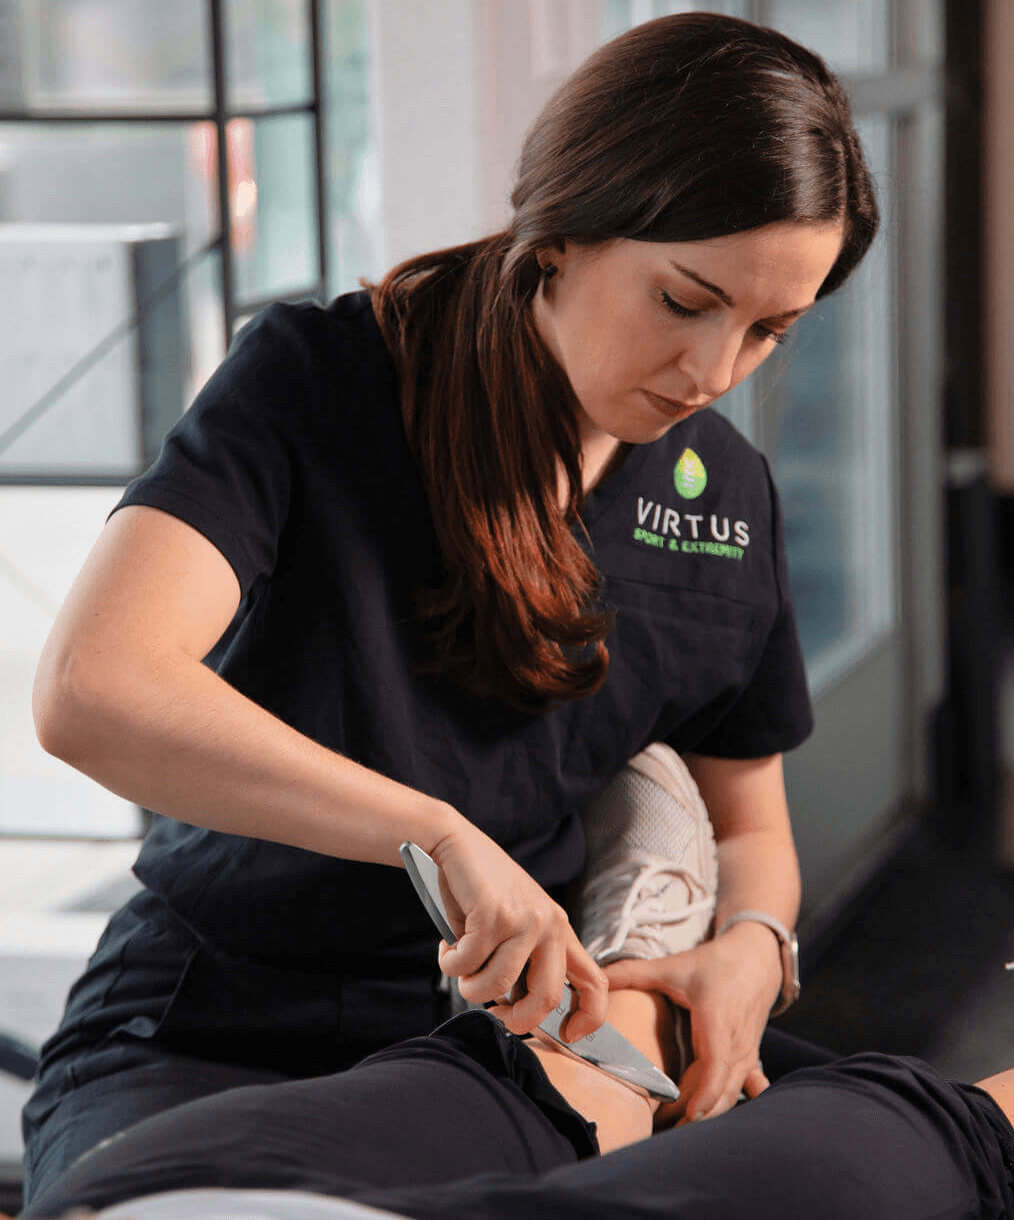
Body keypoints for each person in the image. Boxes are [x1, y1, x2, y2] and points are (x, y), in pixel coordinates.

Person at [21, 9, 879, 1206]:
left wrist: (752, 944)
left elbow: (750, 828)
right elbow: (93, 689)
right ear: (565, 232)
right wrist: (432, 832)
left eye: (769, 328)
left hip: (520, 1043)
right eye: (685, 300)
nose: (714, 373)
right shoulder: (319, 381)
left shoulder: (724, 495)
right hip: (219, 1021)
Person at [16, 984, 1014, 1220]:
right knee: (947, 1133)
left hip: (151, 1201)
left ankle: (642, 974)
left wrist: (755, 935)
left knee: (550, 1073)